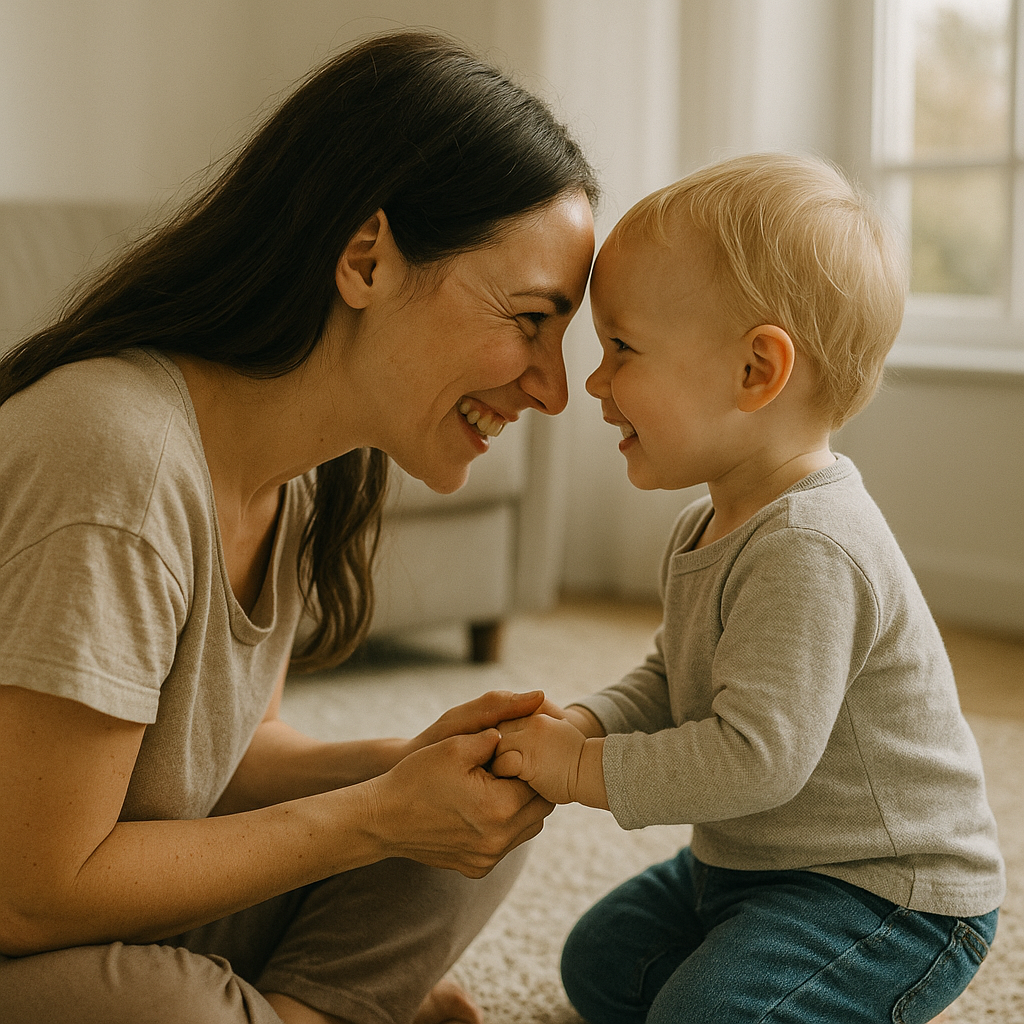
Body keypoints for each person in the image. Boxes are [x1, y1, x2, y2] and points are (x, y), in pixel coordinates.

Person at [0, 31, 598, 1024]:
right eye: (530, 317)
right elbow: (30, 888)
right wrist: (368, 816)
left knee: (476, 818)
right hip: (28, 902)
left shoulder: (301, 473)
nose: (551, 386)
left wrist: (409, 773)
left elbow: (226, 760)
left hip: (81, 900)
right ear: (366, 258)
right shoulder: (115, 458)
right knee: (176, 1009)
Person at [491, 153, 1004, 1023]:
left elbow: (752, 758)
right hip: (753, 864)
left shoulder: (813, 547)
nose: (595, 382)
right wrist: (586, 721)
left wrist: (583, 769)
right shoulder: (711, 522)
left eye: (621, 348)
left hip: (886, 894)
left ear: (755, 373)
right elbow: (673, 675)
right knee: (599, 963)